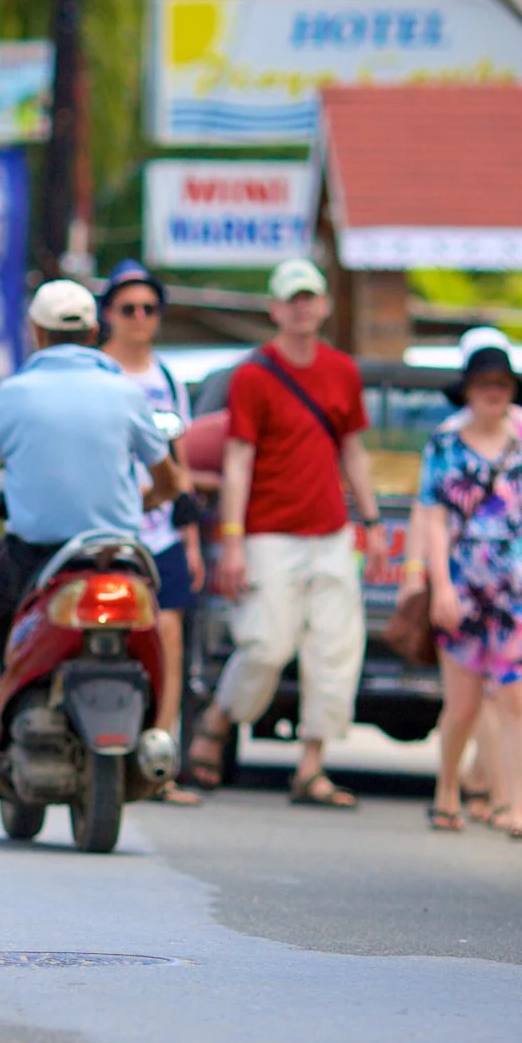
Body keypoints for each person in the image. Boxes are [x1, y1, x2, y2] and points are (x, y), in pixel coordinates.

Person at [0, 280, 188, 740]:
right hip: (119, 558)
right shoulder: (127, 393)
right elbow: (171, 483)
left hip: (35, 562)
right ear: (93, 331)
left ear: (36, 332)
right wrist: (143, 501)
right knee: (164, 624)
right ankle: (160, 733)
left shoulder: (13, 394)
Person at [185, 258, 387, 809]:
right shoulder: (254, 376)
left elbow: (352, 451)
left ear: (324, 305)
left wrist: (371, 522)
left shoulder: (341, 371)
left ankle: (312, 766)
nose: (301, 308)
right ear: (275, 309)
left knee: (335, 649)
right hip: (269, 533)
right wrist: (232, 540)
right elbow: (238, 461)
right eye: (292, 299)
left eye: (309, 298)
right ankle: (220, 717)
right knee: (266, 645)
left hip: (331, 531)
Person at [401, 343, 522, 842]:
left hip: (518, 592)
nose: (493, 393)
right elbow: (433, 517)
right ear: (467, 391)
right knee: (462, 705)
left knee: (517, 700)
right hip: (462, 587)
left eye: (502, 385)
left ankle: (516, 807)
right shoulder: (445, 444)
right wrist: (436, 584)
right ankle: (447, 789)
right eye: (484, 384)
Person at [94, 260, 206, 805]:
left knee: (168, 636)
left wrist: (191, 538)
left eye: (149, 309)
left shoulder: (168, 380)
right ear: (108, 315)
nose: (139, 318)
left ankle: (159, 763)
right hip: (102, 529)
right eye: (128, 308)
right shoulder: (97, 374)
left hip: (160, 534)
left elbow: (179, 462)